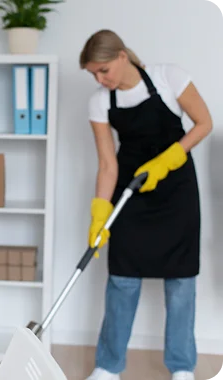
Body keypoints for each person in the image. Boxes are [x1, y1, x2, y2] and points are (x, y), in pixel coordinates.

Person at [79, 29, 212, 380]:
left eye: (103, 70)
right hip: (131, 194)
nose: (99, 79)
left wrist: (169, 158)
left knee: (181, 282)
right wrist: (99, 213)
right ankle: (108, 366)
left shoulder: (170, 77)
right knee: (122, 279)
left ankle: (182, 367)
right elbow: (108, 164)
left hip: (177, 193)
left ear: (122, 56)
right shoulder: (100, 101)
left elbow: (204, 123)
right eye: (93, 73)